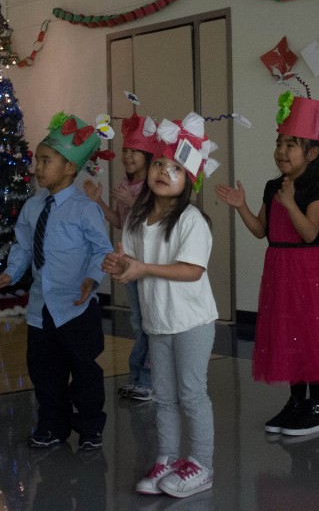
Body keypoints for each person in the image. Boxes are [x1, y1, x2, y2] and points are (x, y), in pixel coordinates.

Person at [214, 93, 319, 438]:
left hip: (309, 268)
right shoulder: (272, 186)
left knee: (312, 335)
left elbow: (310, 233)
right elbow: (261, 231)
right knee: (291, 334)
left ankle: (316, 408)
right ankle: (296, 403)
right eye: (279, 143)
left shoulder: (317, 186)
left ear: (311, 153)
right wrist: (242, 206)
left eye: (290, 144)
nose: (281, 151)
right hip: (279, 267)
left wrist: (290, 202)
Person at [103, 113, 219, 499]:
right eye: (159, 164)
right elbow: (132, 262)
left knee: (191, 394)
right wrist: (120, 266)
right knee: (165, 396)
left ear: (189, 180)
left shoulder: (191, 221)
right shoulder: (137, 217)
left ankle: (201, 463)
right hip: (158, 322)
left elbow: (191, 271)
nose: (164, 172)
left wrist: (142, 268)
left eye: (176, 167)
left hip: (191, 323)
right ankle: (167, 458)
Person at [0, 112, 114, 451]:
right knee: (45, 372)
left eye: (46, 161)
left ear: (70, 168)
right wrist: (10, 273)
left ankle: (90, 426)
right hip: (40, 307)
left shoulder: (84, 208)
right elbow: (22, 247)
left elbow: (102, 249)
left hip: (76, 308)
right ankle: (52, 425)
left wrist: (92, 278)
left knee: (85, 371)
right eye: (37, 160)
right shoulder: (32, 207)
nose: (38, 168)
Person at [84, 113, 158, 402]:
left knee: (151, 323)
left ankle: (151, 380)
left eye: (134, 151)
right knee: (139, 323)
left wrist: (134, 203)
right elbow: (119, 221)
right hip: (129, 262)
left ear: (148, 155)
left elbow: (156, 221)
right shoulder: (125, 185)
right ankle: (137, 377)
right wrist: (99, 201)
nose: (127, 156)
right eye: (125, 150)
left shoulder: (155, 185)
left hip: (149, 263)